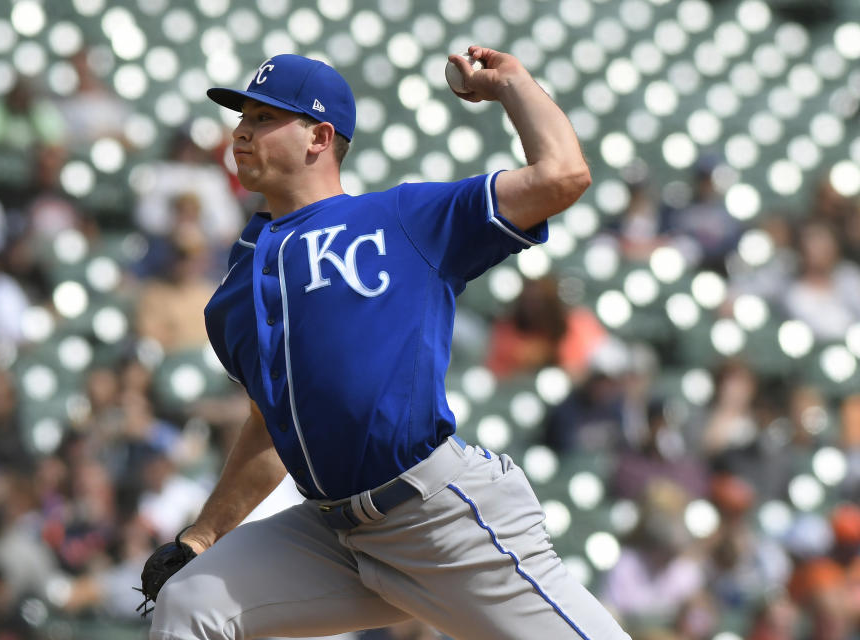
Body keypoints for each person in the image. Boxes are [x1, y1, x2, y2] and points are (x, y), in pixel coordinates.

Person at [148, 48, 629, 640]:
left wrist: (513, 85)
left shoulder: (400, 219)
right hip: (333, 537)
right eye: (241, 116)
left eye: (264, 117)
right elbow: (273, 426)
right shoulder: (234, 290)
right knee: (191, 604)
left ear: (319, 136)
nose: (241, 130)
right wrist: (202, 535)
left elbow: (562, 175)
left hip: (437, 517)